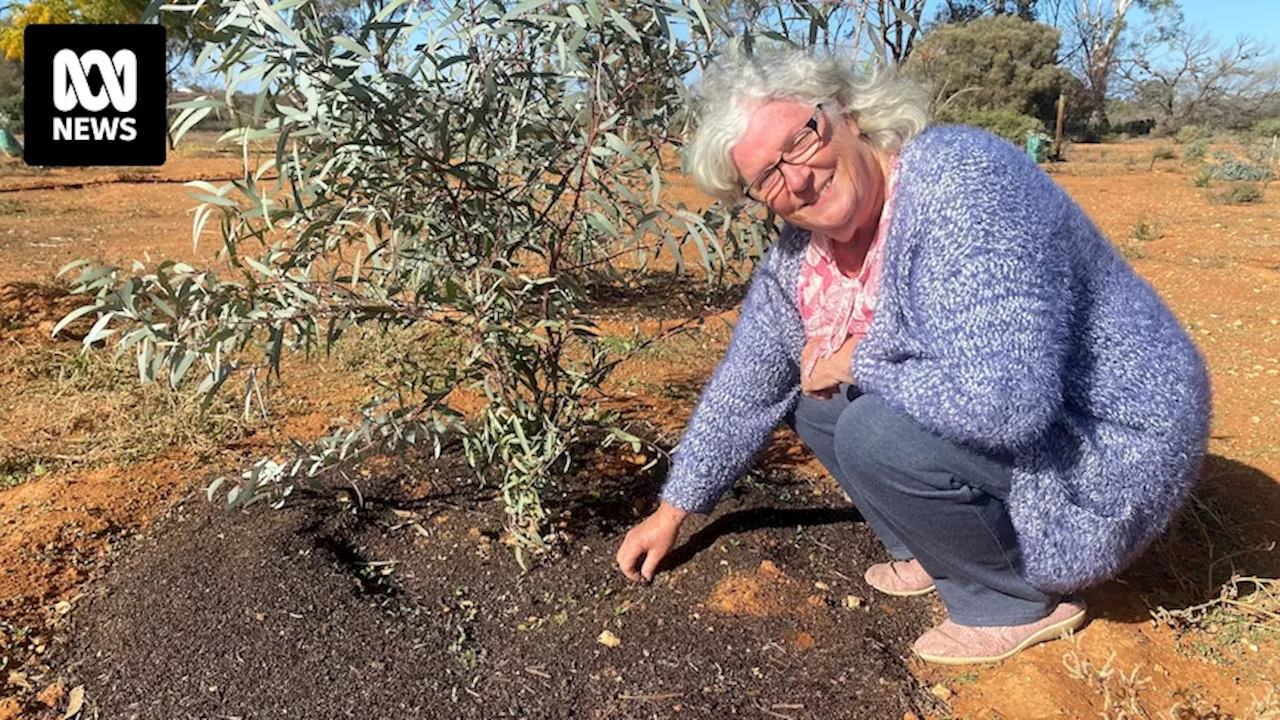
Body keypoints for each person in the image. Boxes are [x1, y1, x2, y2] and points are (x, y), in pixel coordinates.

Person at [615, 45, 1212, 665]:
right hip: (1025, 417)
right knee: (815, 403)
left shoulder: (960, 184)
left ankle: (1012, 599)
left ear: (844, 112)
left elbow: (1006, 403)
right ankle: (937, 550)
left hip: (1106, 441)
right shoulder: (802, 258)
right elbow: (746, 389)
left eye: (799, 140)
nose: (796, 178)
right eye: (765, 177)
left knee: (876, 427)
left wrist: (860, 359)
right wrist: (672, 511)